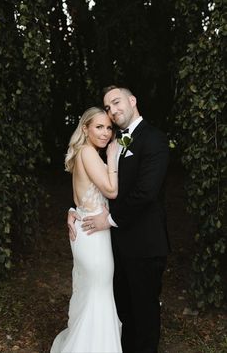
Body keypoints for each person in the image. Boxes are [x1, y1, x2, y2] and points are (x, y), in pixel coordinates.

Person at [68, 86, 170, 353]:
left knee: (145, 314)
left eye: (116, 102)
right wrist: (74, 209)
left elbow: (146, 193)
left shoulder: (154, 139)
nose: (112, 110)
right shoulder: (110, 144)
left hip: (144, 243)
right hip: (115, 244)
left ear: (132, 100)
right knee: (124, 309)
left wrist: (110, 219)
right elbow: (95, 183)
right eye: (108, 106)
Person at [50, 107, 122, 353]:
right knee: (99, 294)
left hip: (85, 227)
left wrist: (72, 211)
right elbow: (111, 191)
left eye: (109, 128)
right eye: (99, 127)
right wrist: (112, 157)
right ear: (85, 129)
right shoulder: (90, 153)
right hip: (93, 234)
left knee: (93, 293)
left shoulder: (83, 153)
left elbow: (81, 197)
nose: (105, 133)